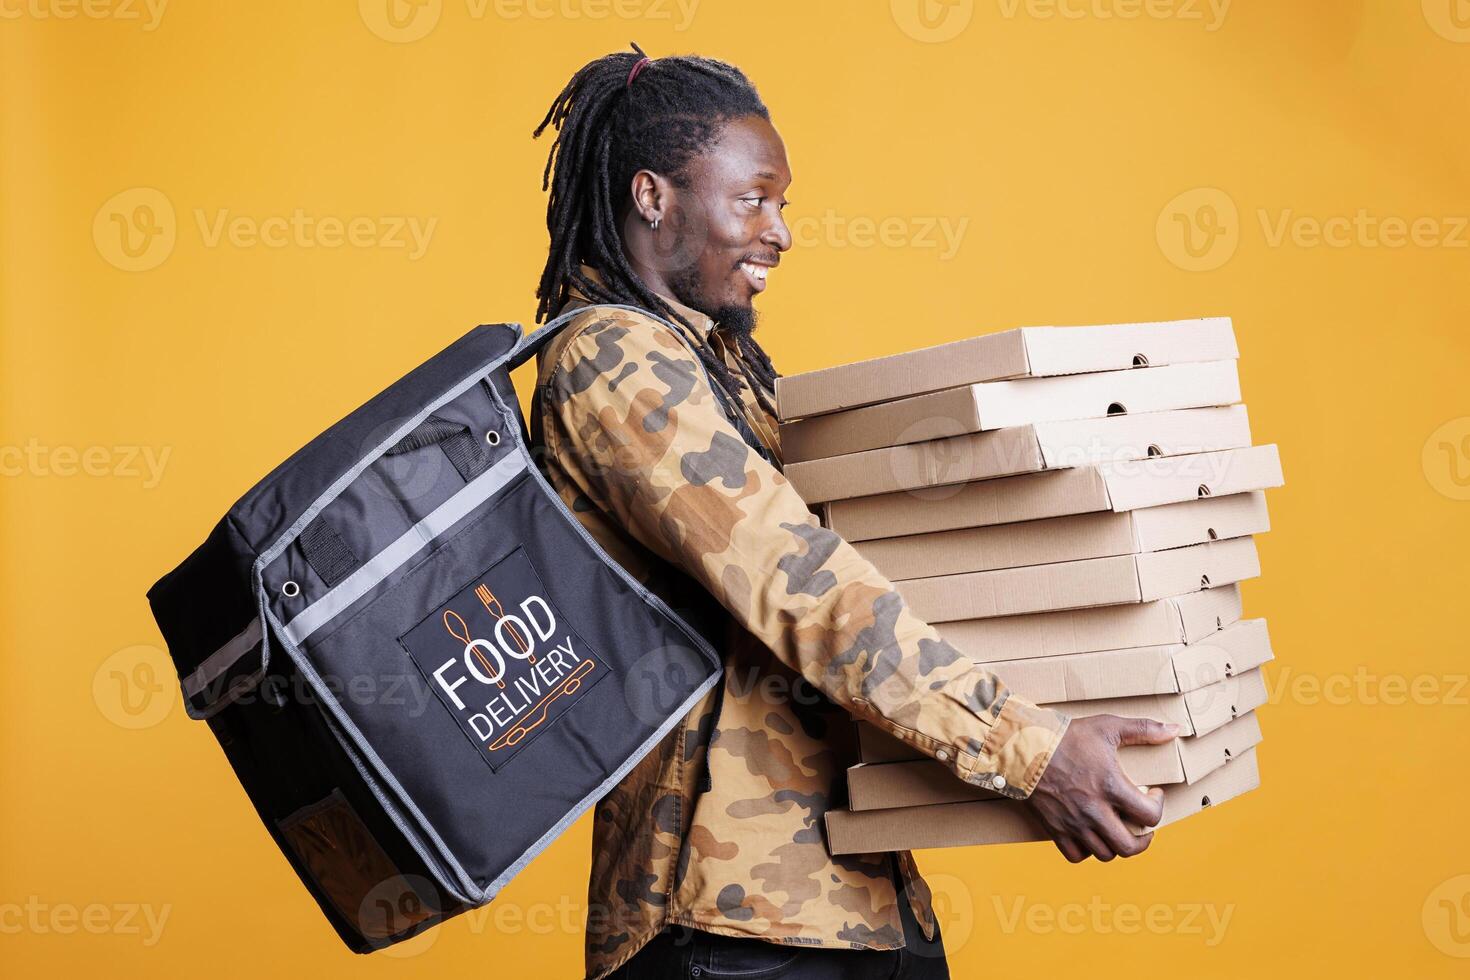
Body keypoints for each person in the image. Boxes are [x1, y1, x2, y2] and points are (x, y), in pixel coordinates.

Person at [529, 44, 1177, 980]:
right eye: (753, 199)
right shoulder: (614, 361)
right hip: (727, 923)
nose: (780, 231)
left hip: (856, 891)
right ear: (652, 197)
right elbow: (798, 578)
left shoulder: (723, 362)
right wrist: (1030, 750)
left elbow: (865, 546)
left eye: (782, 204)